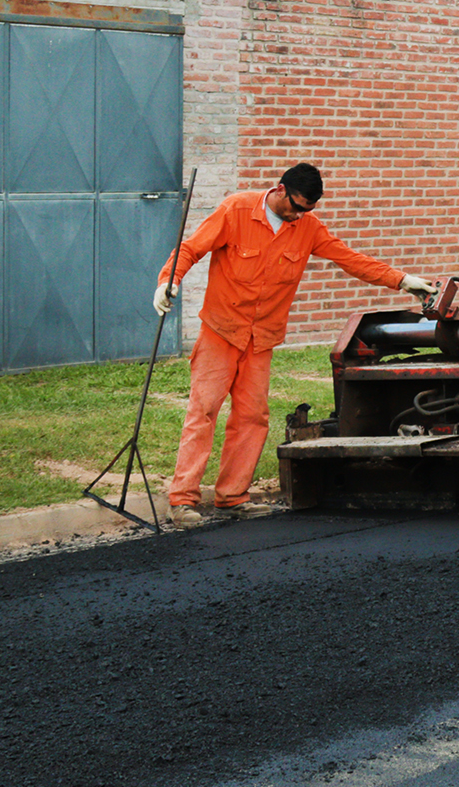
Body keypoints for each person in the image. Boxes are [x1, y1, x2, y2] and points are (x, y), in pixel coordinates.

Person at [153, 163, 436, 528]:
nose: (300, 215)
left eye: (308, 210)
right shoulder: (235, 210)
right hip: (221, 331)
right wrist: (167, 281)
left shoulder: (309, 228)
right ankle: (182, 500)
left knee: (252, 418)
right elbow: (189, 250)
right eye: (297, 207)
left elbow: (350, 260)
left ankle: (232, 498)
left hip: (261, 338)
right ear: (280, 189)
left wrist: (402, 280)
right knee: (203, 411)